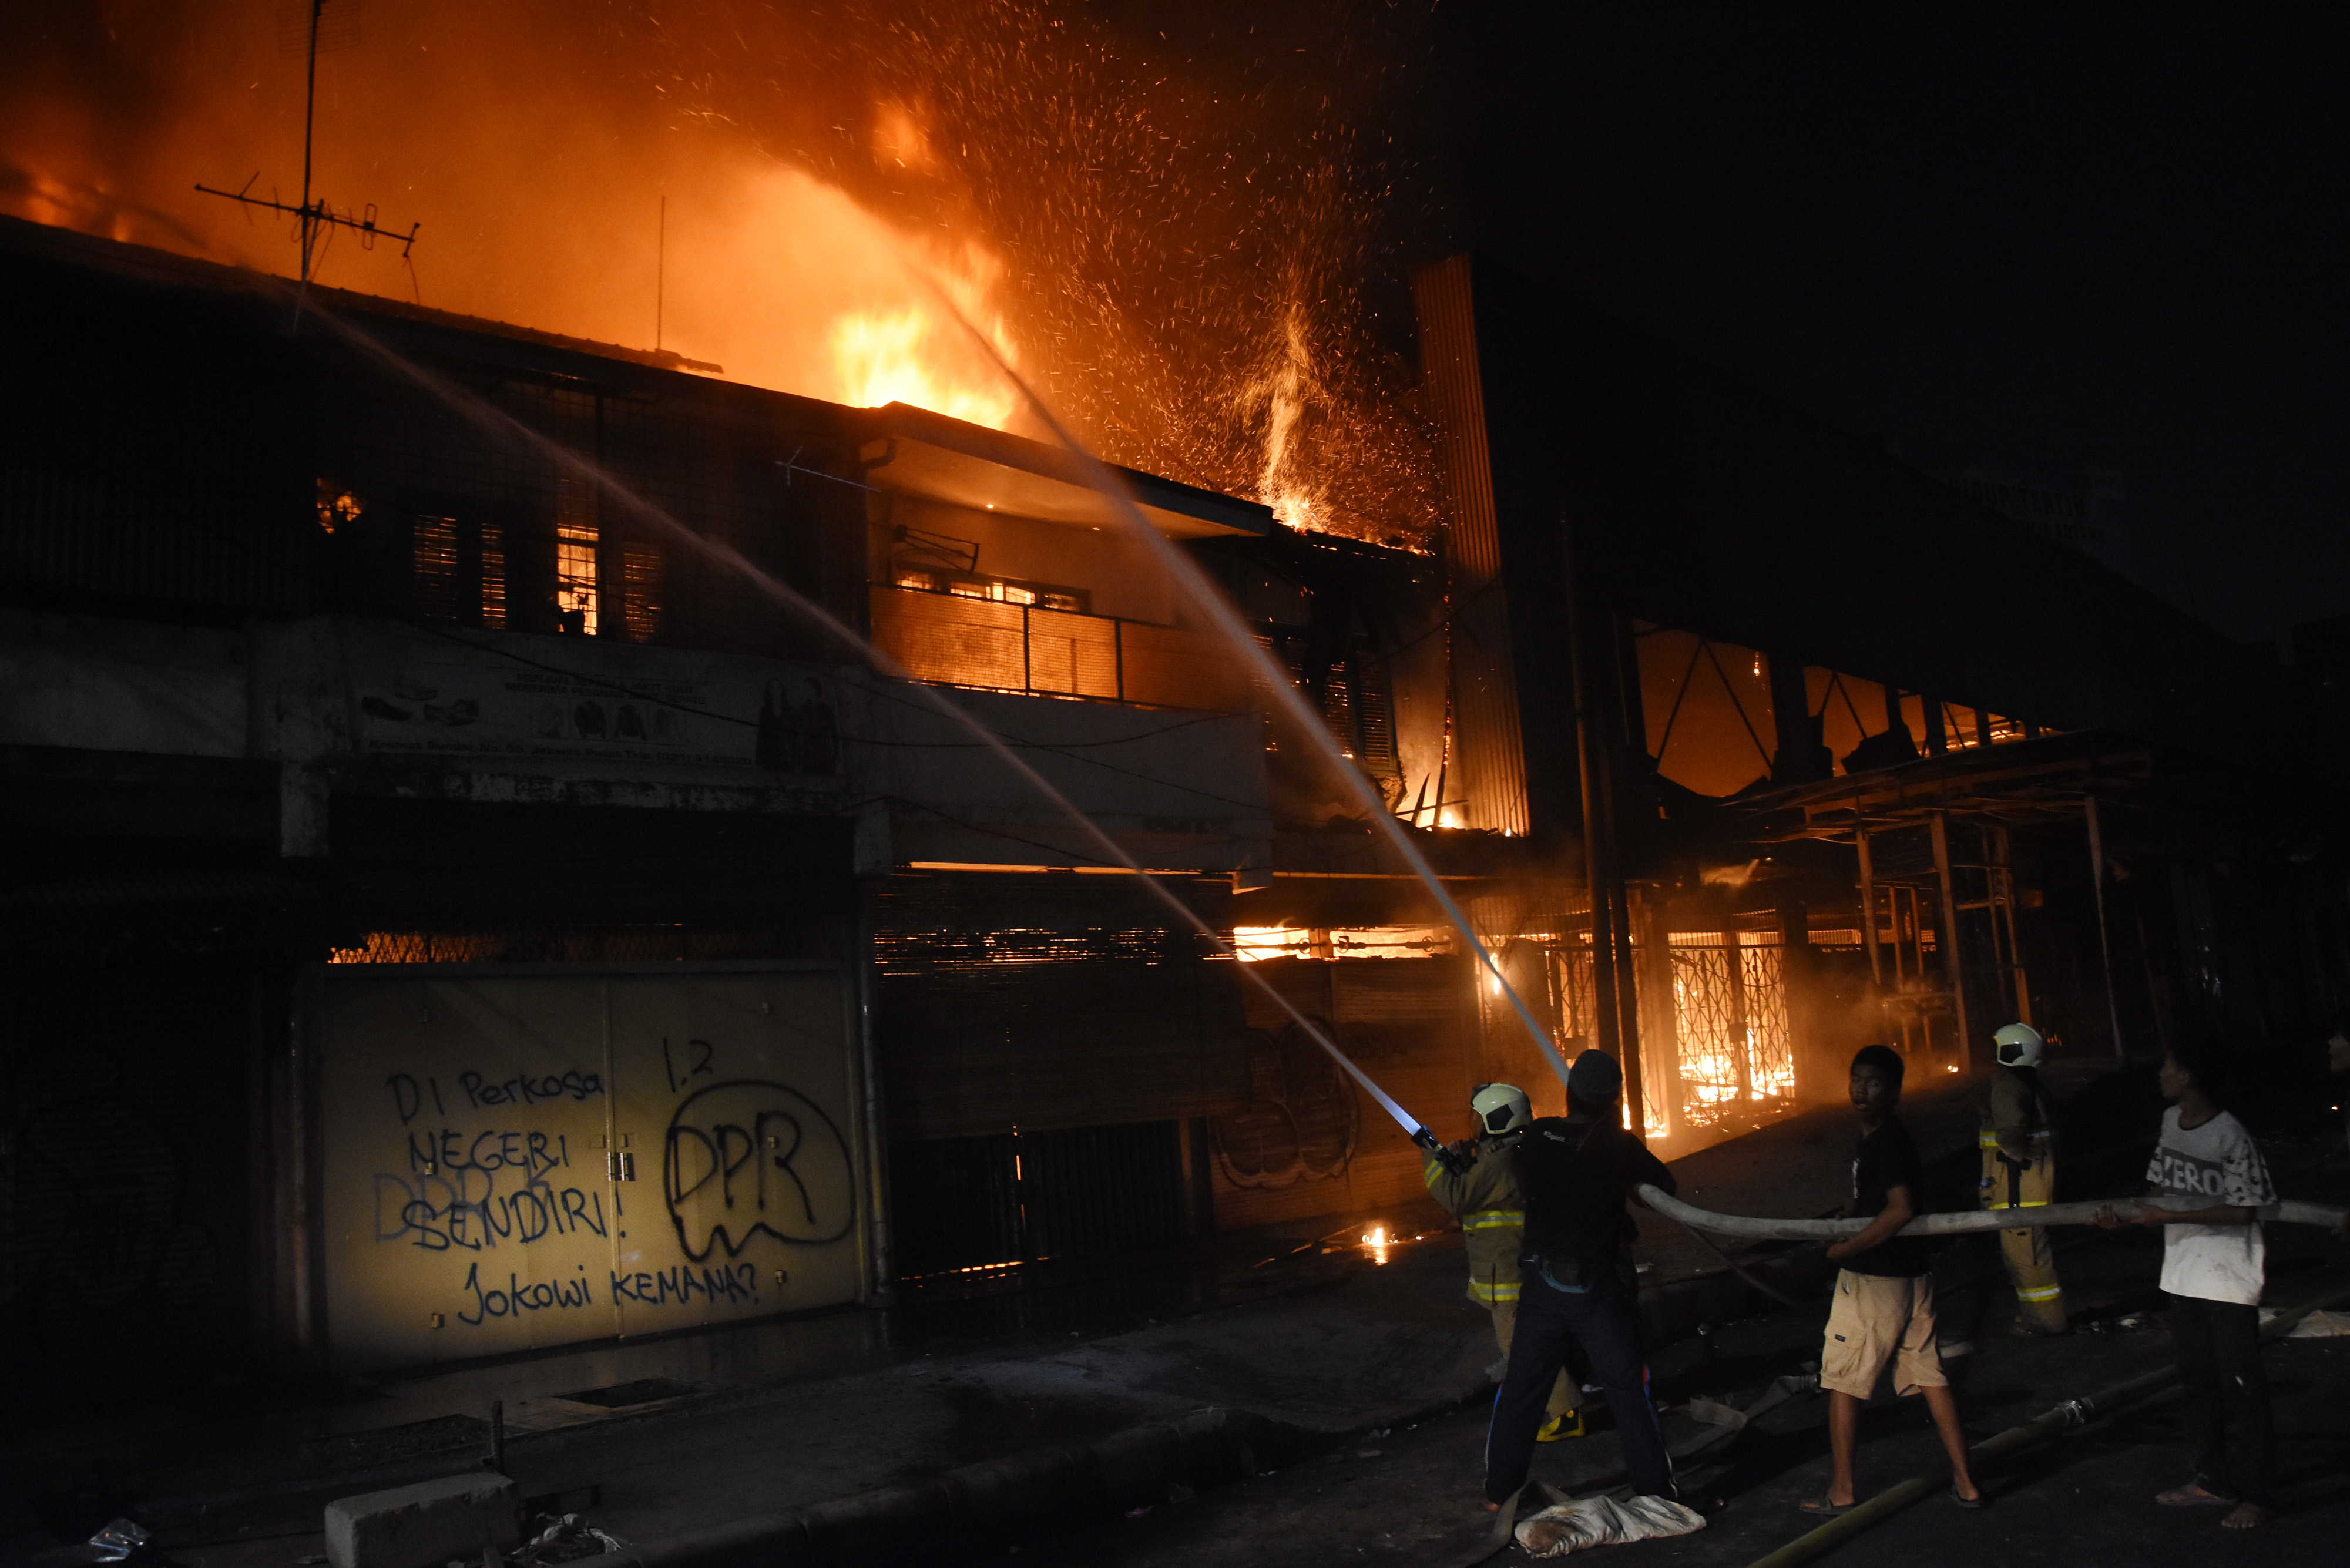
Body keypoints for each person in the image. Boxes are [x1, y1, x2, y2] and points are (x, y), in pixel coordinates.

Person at [2094, 1037, 2277, 1531]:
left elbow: (2244, 1209)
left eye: (2169, 1067)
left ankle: (2258, 1494)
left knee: (2242, 1389)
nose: (2161, 1074)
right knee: (2198, 1384)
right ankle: (2212, 1479)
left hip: (2227, 1279)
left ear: (2188, 1076)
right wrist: (2128, 1217)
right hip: (2184, 1274)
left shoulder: (2229, 1132)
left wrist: (2165, 1215)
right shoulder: (2170, 1122)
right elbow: (2160, 1189)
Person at [1482, 1049, 1676, 1510]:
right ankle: (1655, 1492)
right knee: (1628, 1390)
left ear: (1569, 1093)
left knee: (1522, 1390)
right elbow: (1664, 1187)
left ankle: (1499, 1492)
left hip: (1541, 1286)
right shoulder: (1618, 1145)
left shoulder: (1538, 1135)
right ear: (1613, 1100)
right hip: (1595, 1291)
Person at [1806, 1044, 1983, 1514]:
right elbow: (1880, 1197)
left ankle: (1842, 1491)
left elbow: (1901, 1207)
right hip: (1911, 1278)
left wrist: (1845, 1249)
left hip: (1875, 1279)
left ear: (1895, 1091)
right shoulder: (1876, 1138)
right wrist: (1854, 1210)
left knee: (1843, 1379)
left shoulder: (1888, 1142)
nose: (1861, 1090)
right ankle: (1967, 1482)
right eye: (1857, 1079)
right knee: (1929, 1375)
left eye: (1874, 1082)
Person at [1421, 1083, 1582, 1442]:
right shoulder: (1514, 1151)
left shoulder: (1499, 1161)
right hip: (1518, 1265)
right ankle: (1556, 1407)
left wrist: (1431, 1158)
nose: (1473, 1122)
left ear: (1495, 1118)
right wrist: (1463, 1160)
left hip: (1506, 1272)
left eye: (1478, 1116)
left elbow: (1456, 1197)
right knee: (1531, 1344)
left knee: (1523, 1348)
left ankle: (1566, 1413)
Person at [1979, 1022, 2067, 1334]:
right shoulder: (2029, 1083)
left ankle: (2046, 1324)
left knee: (2028, 1262)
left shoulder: (2009, 1086)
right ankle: (2038, 1320)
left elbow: (2009, 1134)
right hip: (2029, 1188)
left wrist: (2017, 1152)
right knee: (2028, 1259)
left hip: (2018, 1190)